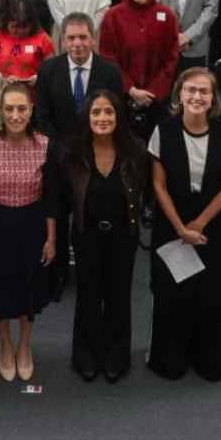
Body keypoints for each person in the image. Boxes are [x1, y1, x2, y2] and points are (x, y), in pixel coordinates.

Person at [145, 68, 221, 381]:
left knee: (213, 294)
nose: (197, 97)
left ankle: (212, 356)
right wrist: (180, 229)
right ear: (179, 94)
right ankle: (169, 355)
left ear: (213, 98)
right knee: (172, 294)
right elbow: (158, 186)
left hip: (214, 225)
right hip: (172, 226)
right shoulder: (164, 131)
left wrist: (198, 224)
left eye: (204, 91)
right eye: (191, 90)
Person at [0, 82, 59, 382]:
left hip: (32, 224)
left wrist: (51, 238)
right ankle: (4, 344)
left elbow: (51, 198)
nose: (15, 115)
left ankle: (24, 345)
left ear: (31, 110)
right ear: (1, 111)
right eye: (9, 109)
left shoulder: (45, 145)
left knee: (28, 286)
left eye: (21, 108)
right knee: (1, 288)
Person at [65, 89, 147, 382]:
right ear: (87, 117)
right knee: (87, 295)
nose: (102, 118)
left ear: (118, 116)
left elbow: (145, 193)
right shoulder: (74, 153)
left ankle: (116, 354)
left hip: (123, 236)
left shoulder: (135, 150)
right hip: (86, 235)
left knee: (118, 296)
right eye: (96, 112)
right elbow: (64, 199)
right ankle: (85, 354)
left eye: (109, 112)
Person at [99, 0, 180, 140]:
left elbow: (172, 58)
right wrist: (131, 89)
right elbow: (108, 57)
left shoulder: (166, 15)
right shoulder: (112, 17)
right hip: (122, 99)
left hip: (157, 99)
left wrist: (153, 92)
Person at [0, 0, 55, 82]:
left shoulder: (43, 39)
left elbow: (52, 69)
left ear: (33, 24)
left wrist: (38, 78)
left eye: (25, 26)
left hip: (32, 90)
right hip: (1, 89)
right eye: (15, 26)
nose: (20, 31)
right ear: (6, 22)